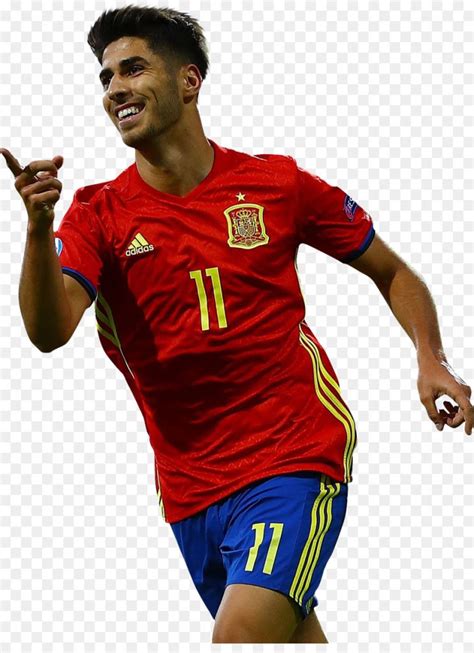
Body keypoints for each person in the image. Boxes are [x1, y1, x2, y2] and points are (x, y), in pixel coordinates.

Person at [1, 4, 472, 644]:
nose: (115, 89)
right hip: (190, 488)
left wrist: (430, 358)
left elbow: (392, 271)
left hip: (293, 452)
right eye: (106, 78)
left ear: (189, 81)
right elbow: (47, 331)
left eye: (133, 69)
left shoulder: (276, 184)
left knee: (240, 638)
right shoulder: (98, 215)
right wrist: (38, 229)